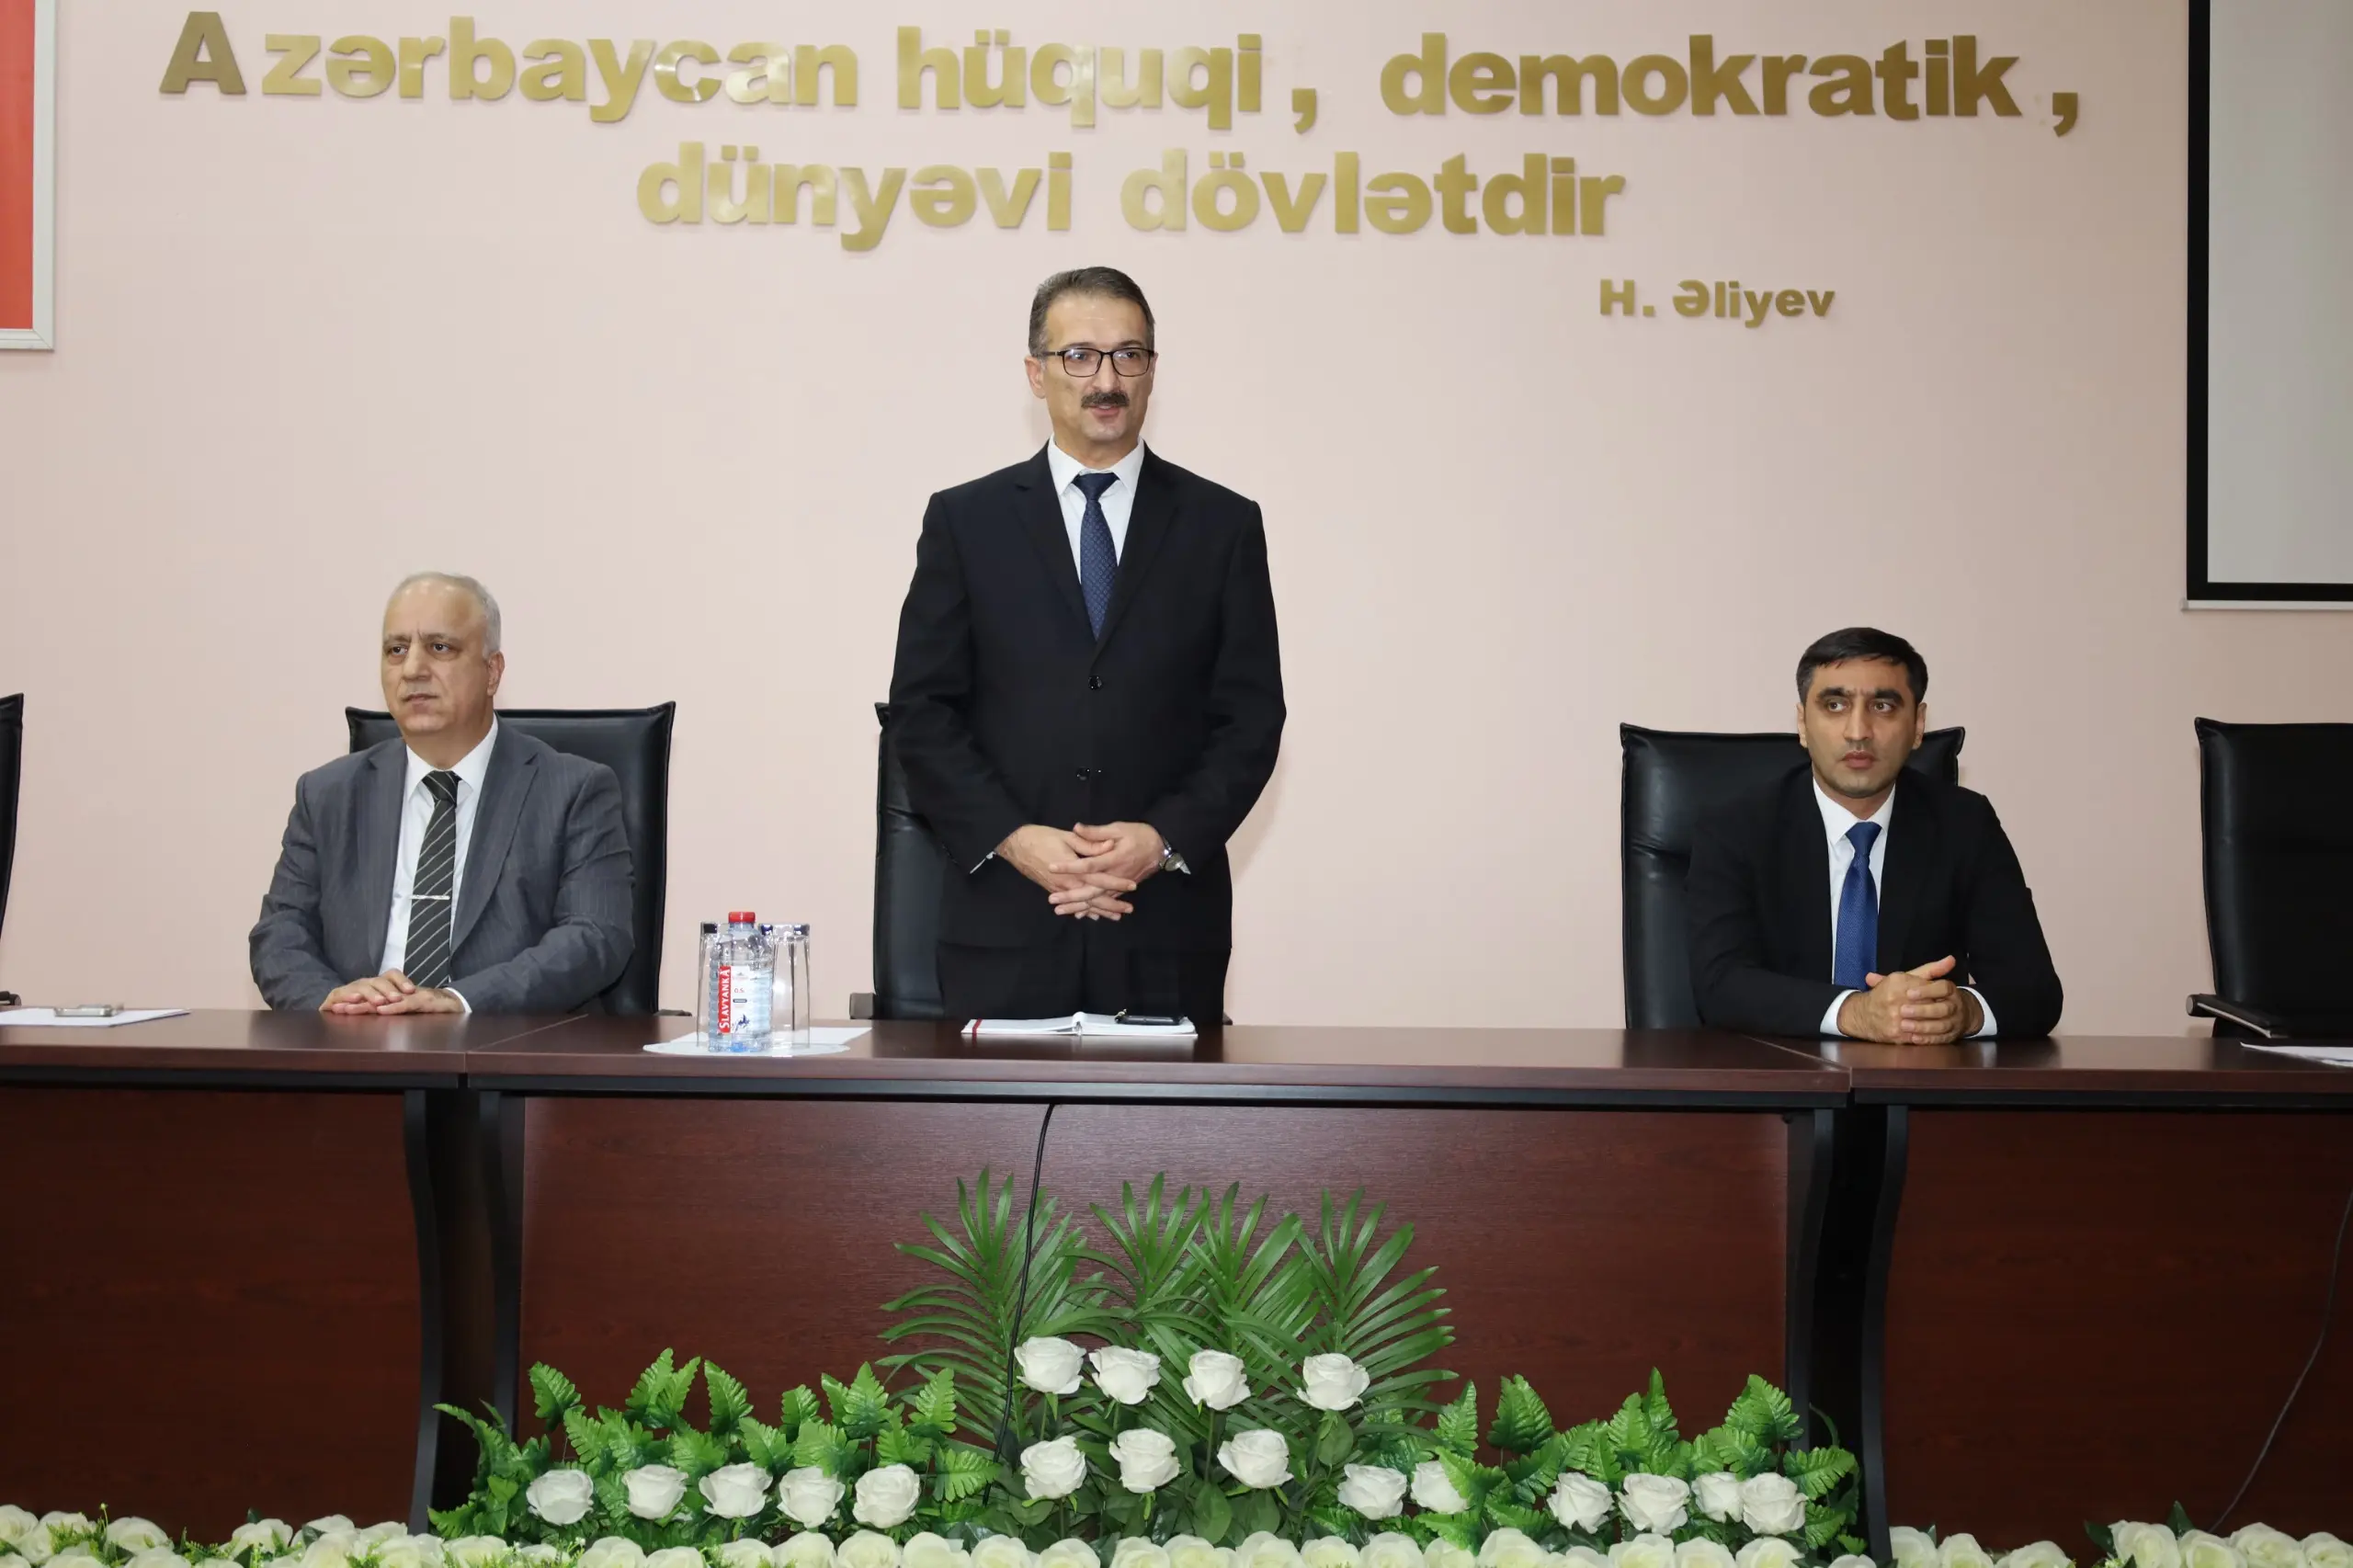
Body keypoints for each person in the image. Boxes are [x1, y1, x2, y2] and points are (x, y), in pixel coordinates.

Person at [887, 267, 1286, 1024]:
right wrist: (1015, 841)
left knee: (1167, 1113)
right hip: (1005, 922)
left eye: (1127, 355)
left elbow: (1251, 720)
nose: (1106, 380)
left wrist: (1160, 841)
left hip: (1165, 926)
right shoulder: (966, 522)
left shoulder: (1223, 526)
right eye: (1079, 356)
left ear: (1152, 371)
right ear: (1036, 373)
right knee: (989, 1116)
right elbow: (923, 712)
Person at [249, 573, 633, 1014]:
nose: (412, 669)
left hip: (498, 1044)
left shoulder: (573, 791)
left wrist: (459, 1001)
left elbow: (595, 935)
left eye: (439, 647)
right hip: (357, 1044)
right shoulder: (327, 795)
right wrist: (332, 1000)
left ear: (492, 672)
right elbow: (279, 934)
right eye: (396, 650)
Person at [1685, 627, 2063, 1042]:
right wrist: (1855, 1012)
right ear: (1803, 723)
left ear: (1918, 725)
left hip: (1918, 1078)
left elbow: (2035, 990)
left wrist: (1964, 1011)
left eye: (1883, 706)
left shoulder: (1965, 824)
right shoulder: (1735, 828)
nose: (1858, 731)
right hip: (1779, 1076)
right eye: (1835, 705)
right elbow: (1720, 984)